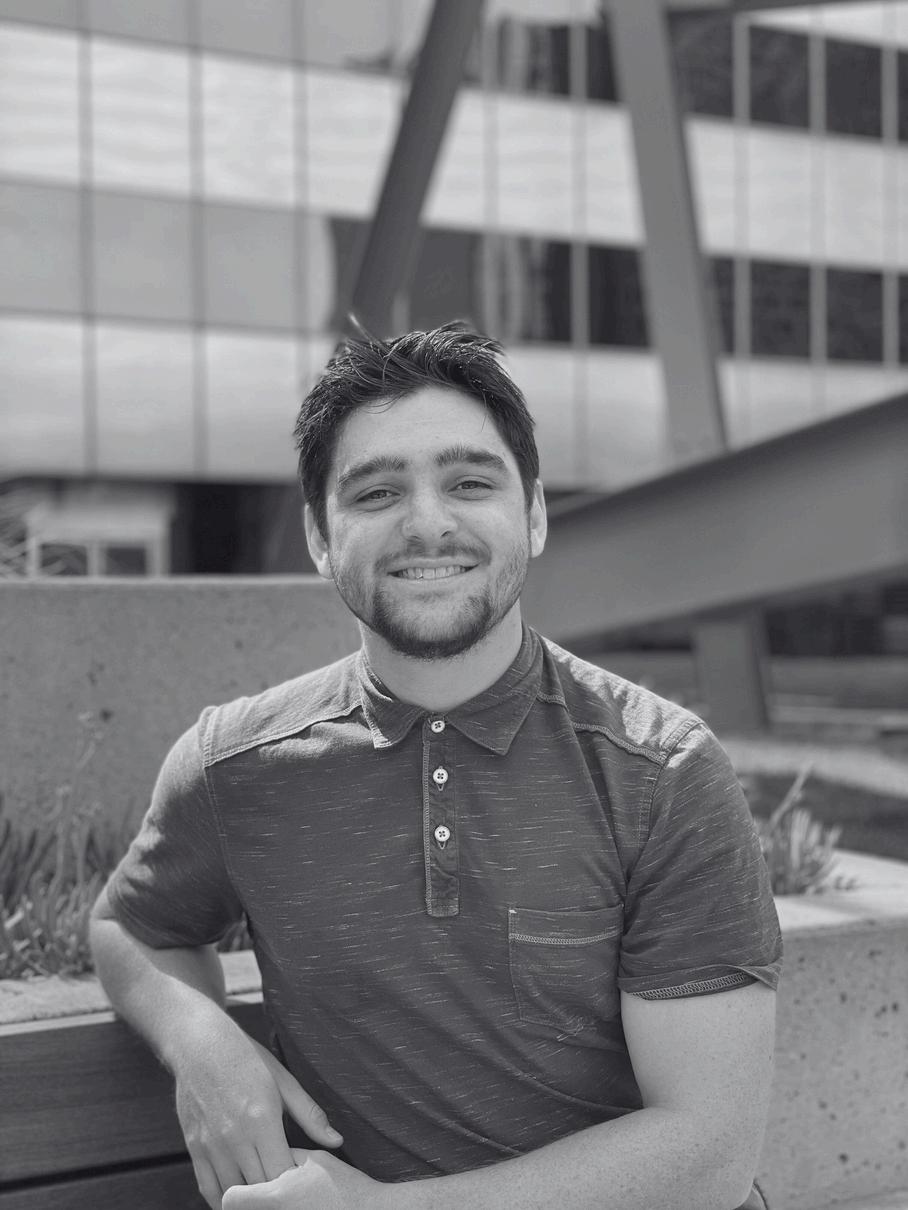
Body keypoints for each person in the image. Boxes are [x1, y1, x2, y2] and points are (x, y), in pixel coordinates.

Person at [90, 322, 782, 1210]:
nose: (427, 523)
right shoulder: (237, 767)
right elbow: (130, 929)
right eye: (377, 492)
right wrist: (202, 1040)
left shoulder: (662, 771)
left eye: (470, 483)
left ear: (534, 514)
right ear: (319, 535)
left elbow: (710, 1152)